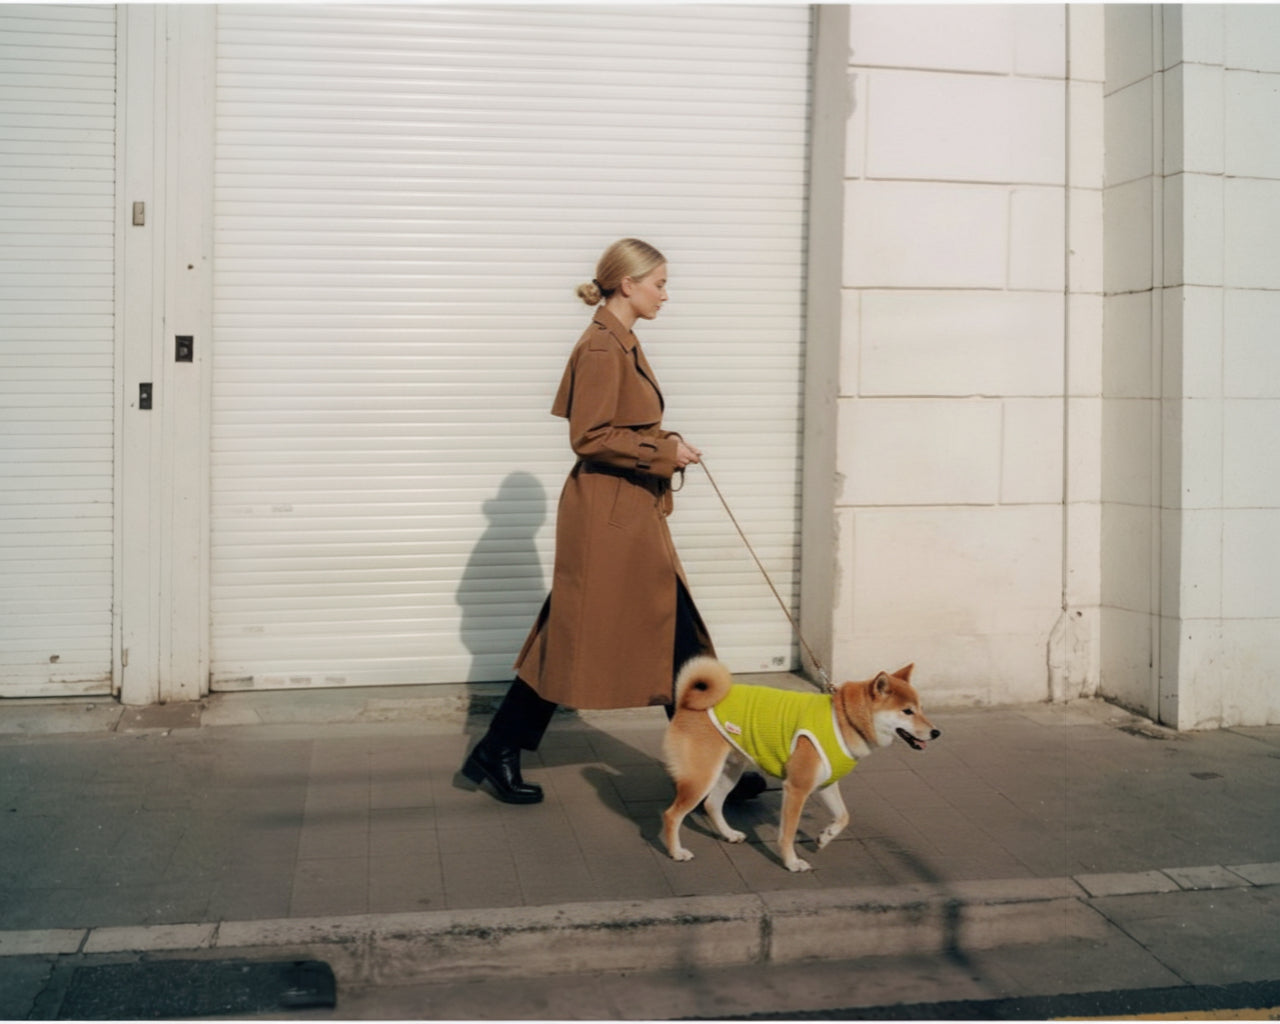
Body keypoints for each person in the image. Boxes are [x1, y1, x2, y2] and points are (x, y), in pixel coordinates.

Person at [460, 238, 760, 805]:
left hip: (626, 510)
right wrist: (663, 452)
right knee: (604, 637)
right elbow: (590, 436)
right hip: (609, 517)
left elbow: (624, 428)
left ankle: (708, 765)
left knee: (672, 639)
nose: (665, 295)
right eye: (660, 284)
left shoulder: (621, 340)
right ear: (628, 283)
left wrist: (667, 443)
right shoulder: (602, 347)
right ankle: (499, 748)